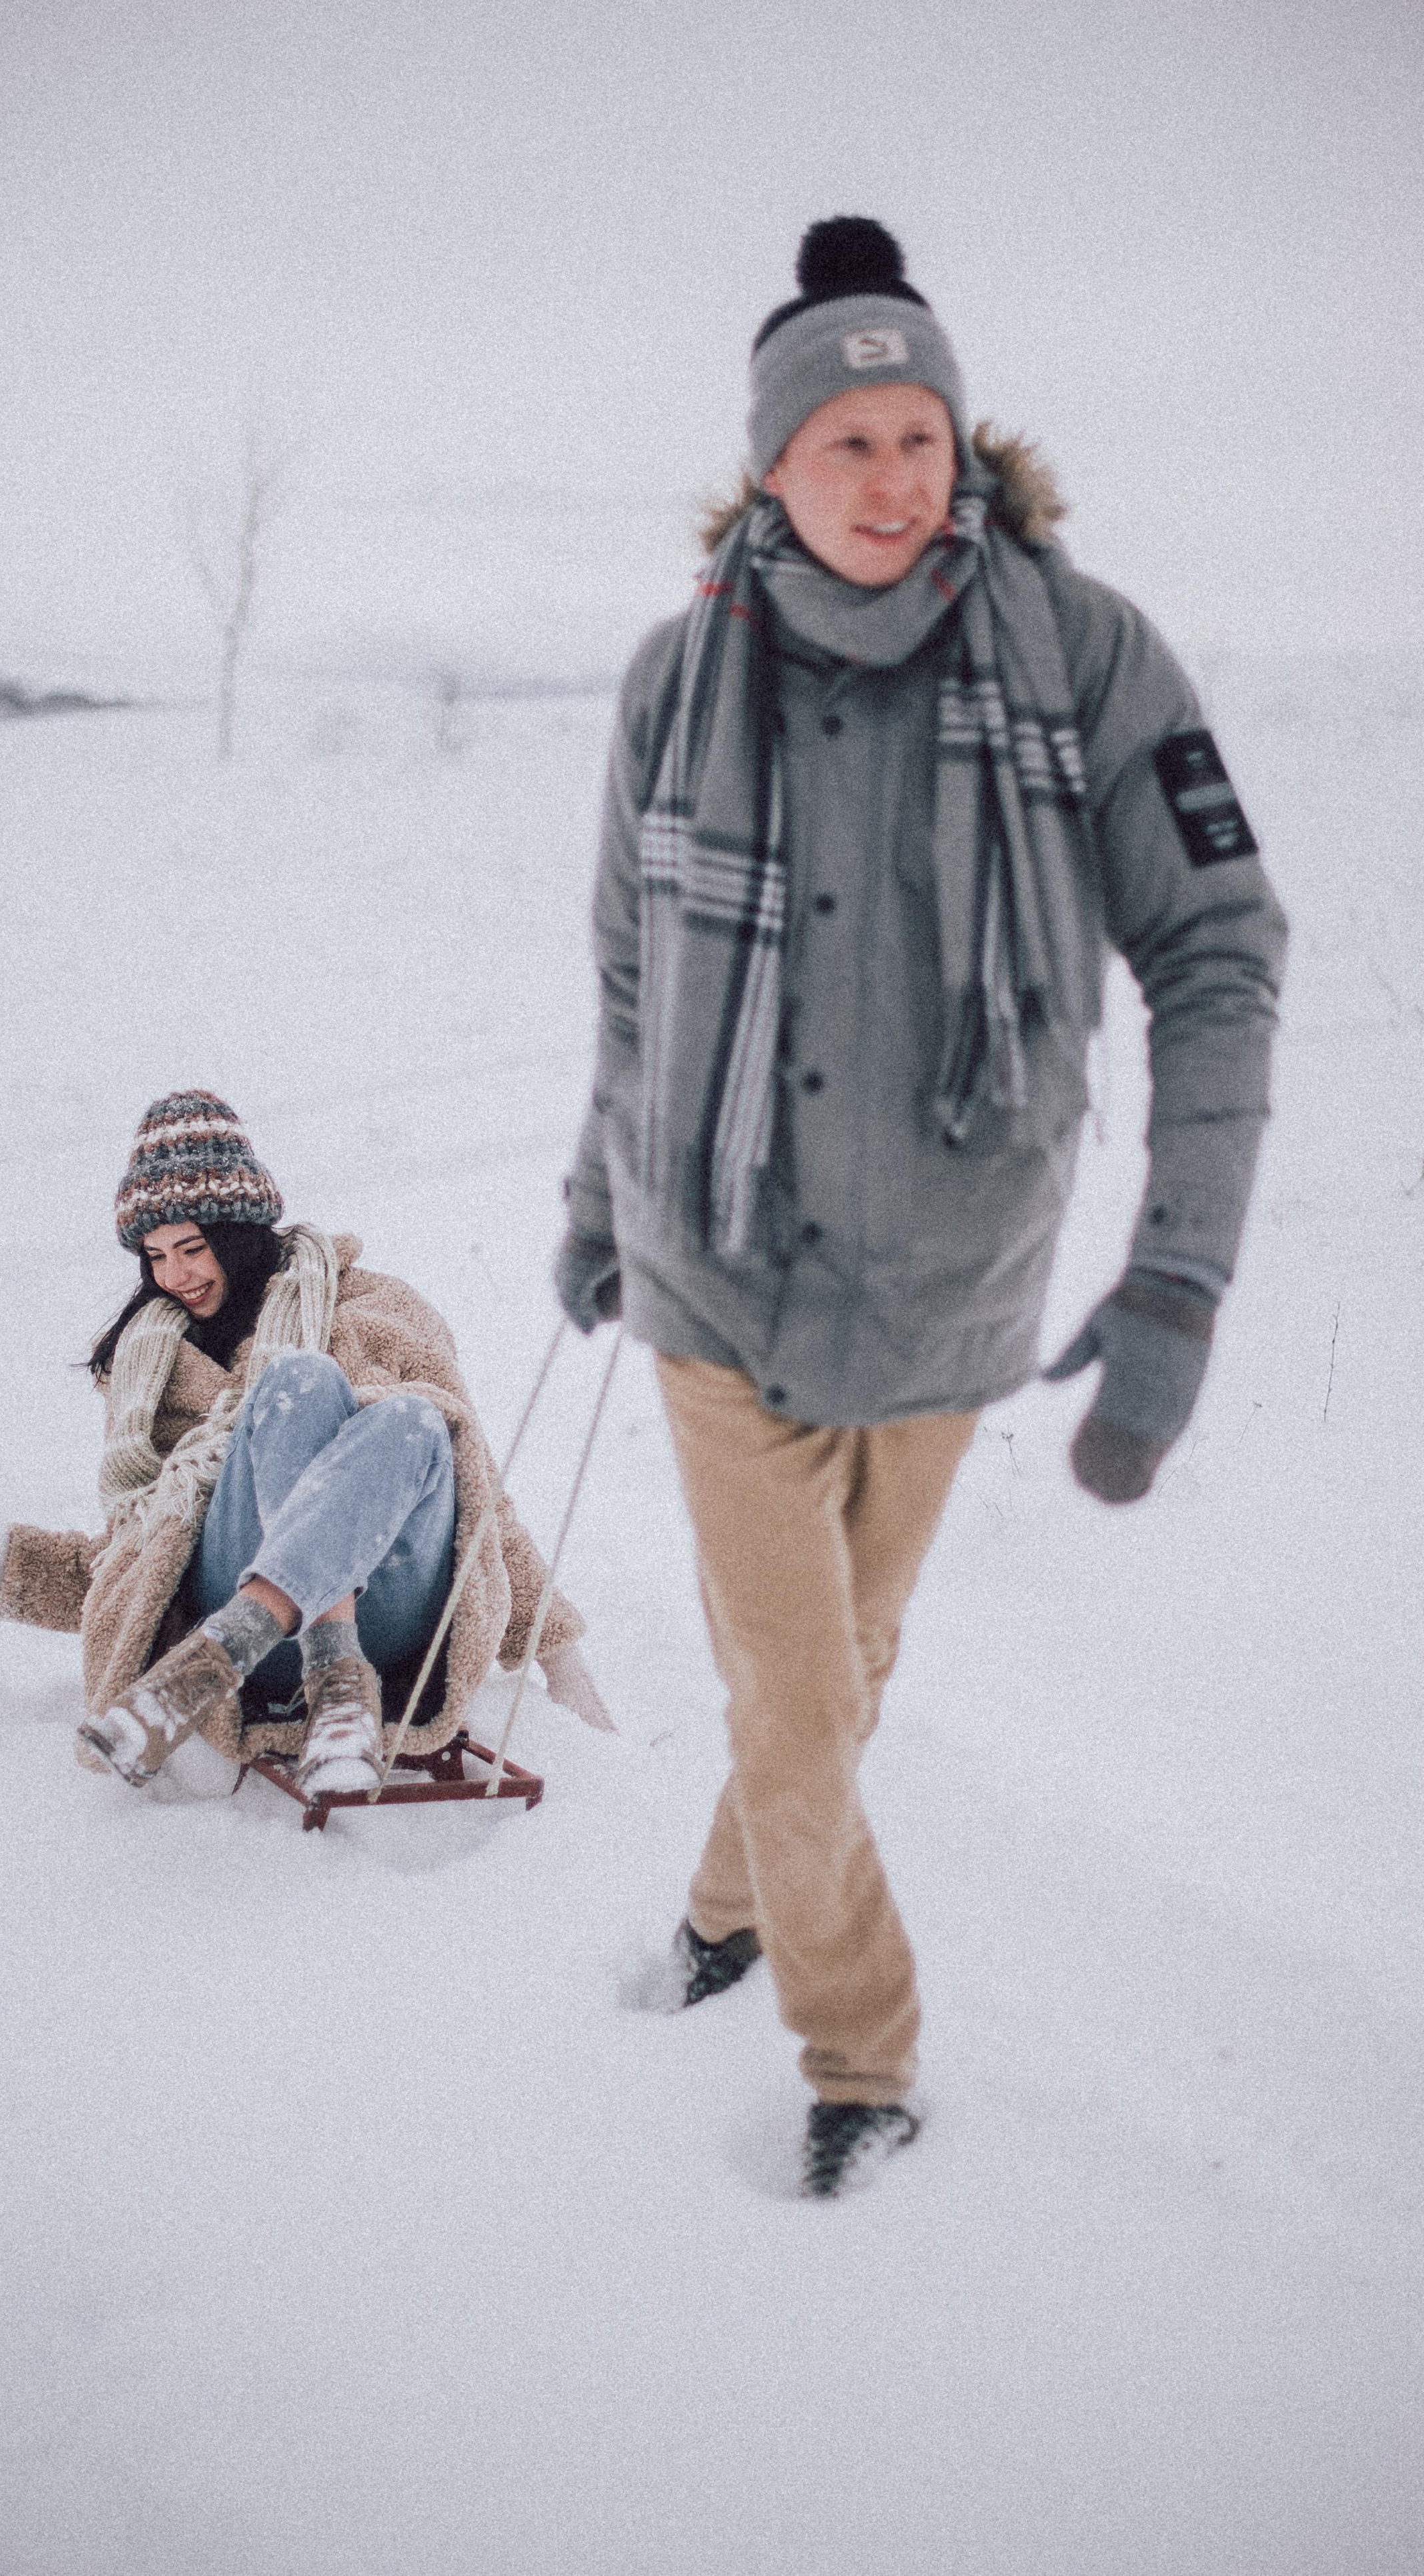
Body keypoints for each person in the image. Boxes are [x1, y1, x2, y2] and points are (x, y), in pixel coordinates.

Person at [555, 219, 1286, 2196]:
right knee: (799, 1709)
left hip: (954, 1294)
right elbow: (632, 972)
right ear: (768, 466)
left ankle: (721, 1903)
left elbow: (1218, 947)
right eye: (847, 439)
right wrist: (591, 1193)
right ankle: (857, 2058)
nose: (894, 478)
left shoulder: (1079, 655)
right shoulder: (673, 677)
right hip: (714, 1276)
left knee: (839, 1682)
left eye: (920, 434)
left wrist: (1181, 1275)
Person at [0, 1090, 608, 1794]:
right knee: (293, 1386)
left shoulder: (376, 1309)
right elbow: (140, 1556)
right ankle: (312, 1669)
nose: (174, 1276)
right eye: (154, 1256)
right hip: (256, 1639)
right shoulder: (151, 1370)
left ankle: (231, 1659)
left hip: (389, 1613)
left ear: (237, 1233)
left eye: (191, 1247)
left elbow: (479, 1492)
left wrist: (558, 1653)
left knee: (414, 1422)